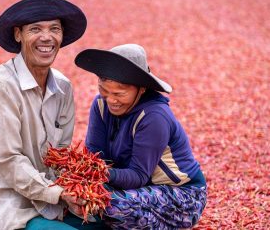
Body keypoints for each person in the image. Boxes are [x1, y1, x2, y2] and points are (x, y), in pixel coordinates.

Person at [0, 0, 107, 230]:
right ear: (18, 34)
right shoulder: (0, 88)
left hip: (57, 205)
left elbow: (61, 154)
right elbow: (10, 161)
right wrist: (59, 193)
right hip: (17, 211)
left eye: (54, 28)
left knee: (117, 224)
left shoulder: (62, 87)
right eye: (35, 29)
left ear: (62, 36)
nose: (46, 37)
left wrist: (77, 192)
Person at [74, 44, 207, 229]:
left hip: (181, 196)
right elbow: (95, 154)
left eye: (119, 94)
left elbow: (138, 176)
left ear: (142, 89)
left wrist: (99, 174)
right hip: (130, 188)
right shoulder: (100, 105)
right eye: (104, 90)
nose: (111, 99)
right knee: (75, 194)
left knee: (111, 205)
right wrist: (84, 174)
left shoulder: (154, 117)